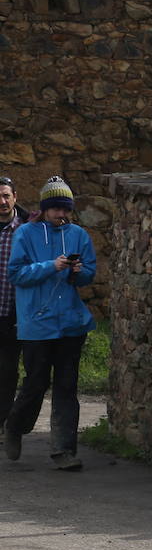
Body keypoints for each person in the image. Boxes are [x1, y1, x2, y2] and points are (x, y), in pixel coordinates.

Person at [5, 176, 97, 470]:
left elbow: (88, 276)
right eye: (55, 208)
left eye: (65, 209)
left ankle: (63, 451)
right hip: (36, 324)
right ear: (44, 209)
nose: (61, 214)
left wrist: (79, 271)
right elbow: (16, 274)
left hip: (71, 323)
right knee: (35, 383)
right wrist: (51, 266)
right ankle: (15, 426)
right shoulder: (26, 234)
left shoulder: (79, 235)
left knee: (67, 386)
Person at [0, 176, 31, 438]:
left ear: (15, 197)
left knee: (8, 372)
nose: (2, 201)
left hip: (13, 313)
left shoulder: (26, 229)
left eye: (6, 195)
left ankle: (2, 423)